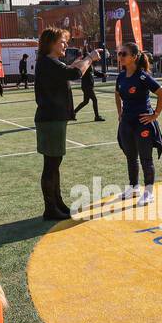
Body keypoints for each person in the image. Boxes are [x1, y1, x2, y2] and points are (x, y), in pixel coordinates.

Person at [34, 28, 98, 220]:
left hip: (53, 119)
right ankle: (50, 208)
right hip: (51, 119)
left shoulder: (49, 62)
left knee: (54, 163)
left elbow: (70, 70)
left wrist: (84, 60)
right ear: (51, 43)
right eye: (62, 41)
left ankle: (57, 204)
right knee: (51, 164)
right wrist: (90, 58)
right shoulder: (48, 62)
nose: (66, 45)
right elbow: (74, 74)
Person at [115, 41, 162, 207]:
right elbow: (117, 94)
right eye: (119, 54)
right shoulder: (121, 76)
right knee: (131, 157)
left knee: (145, 158)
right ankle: (133, 187)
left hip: (142, 123)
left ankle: (148, 193)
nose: (120, 57)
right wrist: (119, 112)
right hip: (126, 123)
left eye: (124, 54)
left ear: (134, 57)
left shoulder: (143, 76)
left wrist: (155, 115)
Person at [73, 57, 105, 122]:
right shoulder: (86, 64)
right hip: (87, 86)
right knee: (94, 100)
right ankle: (97, 116)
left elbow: (95, 72)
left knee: (85, 102)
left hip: (87, 86)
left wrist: (103, 75)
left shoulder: (90, 64)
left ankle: (72, 113)